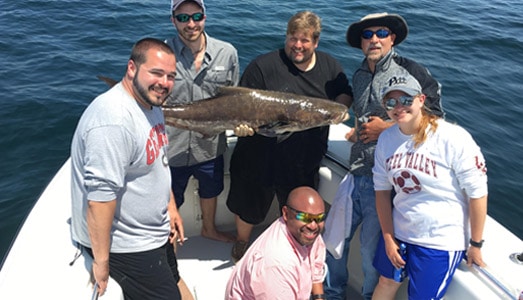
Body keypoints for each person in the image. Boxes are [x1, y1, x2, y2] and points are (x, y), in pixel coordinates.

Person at [323, 13, 445, 300]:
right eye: (367, 35)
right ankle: (331, 293)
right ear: (361, 43)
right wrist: (358, 132)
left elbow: (437, 116)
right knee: (334, 238)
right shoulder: (360, 73)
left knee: (370, 250)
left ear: (392, 38)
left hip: (387, 181)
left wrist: (386, 128)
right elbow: (363, 116)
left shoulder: (412, 70)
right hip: (356, 170)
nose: (374, 39)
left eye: (381, 33)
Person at [226, 10, 353, 263]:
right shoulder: (262, 66)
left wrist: (339, 110)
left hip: (302, 161)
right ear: (286, 37)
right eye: (293, 38)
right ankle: (242, 242)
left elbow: (344, 93)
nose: (298, 45)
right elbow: (240, 104)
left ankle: (294, 253)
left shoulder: (330, 67)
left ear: (315, 42)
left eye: (305, 40)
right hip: (257, 157)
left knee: (300, 212)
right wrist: (241, 125)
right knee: (248, 207)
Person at [70, 38, 184, 299]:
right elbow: (100, 199)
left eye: (170, 76)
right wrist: (101, 261)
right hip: (128, 245)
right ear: (131, 68)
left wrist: (171, 207)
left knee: (173, 279)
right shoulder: (114, 121)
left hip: (153, 231)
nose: (164, 83)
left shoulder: (151, 104)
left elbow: (158, 162)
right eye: (156, 73)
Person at [371, 72, 487, 299]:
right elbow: (382, 192)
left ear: (421, 100)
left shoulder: (452, 137)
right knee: (385, 282)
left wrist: (476, 243)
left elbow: (478, 193)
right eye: (391, 102)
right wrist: (388, 237)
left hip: (439, 242)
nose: (399, 107)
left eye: (406, 100)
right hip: (399, 233)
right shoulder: (386, 139)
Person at [165, 0, 239, 242]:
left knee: (211, 190)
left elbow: (235, 98)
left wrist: (241, 125)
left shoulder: (226, 52)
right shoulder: (162, 53)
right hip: (171, 147)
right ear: (173, 20)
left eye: (196, 16)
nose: (191, 24)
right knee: (168, 201)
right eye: (183, 18)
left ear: (205, 17)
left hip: (209, 145)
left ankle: (209, 228)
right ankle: (167, 247)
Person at [225, 186, 327, 299]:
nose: (313, 225)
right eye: (304, 217)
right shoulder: (277, 263)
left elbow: (316, 270)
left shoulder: (307, 233)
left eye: (319, 218)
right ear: (286, 214)